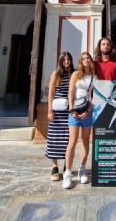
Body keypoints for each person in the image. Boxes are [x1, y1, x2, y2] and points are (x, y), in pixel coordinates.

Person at [64, 52, 97, 189]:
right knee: (72, 141)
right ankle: (67, 173)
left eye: (87, 58)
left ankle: (82, 169)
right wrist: (72, 110)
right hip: (74, 112)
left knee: (85, 140)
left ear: (91, 60)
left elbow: (95, 96)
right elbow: (71, 92)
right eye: (83, 58)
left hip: (87, 112)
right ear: (80, 61)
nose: (85, 60)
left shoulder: (95, 77)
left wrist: (88, 111)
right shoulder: (75, 75)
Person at [45, 51, 74, 181]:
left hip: (69, 110)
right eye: (64, 60)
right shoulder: (56, 74)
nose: (66, 62)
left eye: (68, 59)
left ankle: (66, 165)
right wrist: (50, 110)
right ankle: (54, 166)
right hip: (57, 110)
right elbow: (50, 93)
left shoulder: (74, 74)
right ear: (60, 61)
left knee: (67, 139)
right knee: (54, 138)